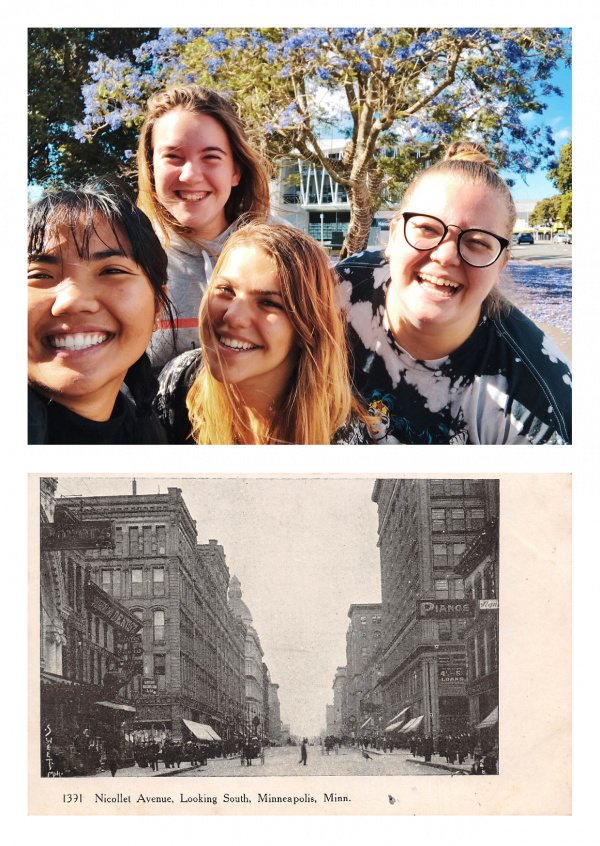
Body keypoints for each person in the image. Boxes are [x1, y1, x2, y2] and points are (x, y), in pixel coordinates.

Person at [336, 141, 572, 444]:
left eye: (477, 241)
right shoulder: (339, 290)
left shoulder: (538, 402)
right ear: (394, 237)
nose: (446, 256)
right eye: (427, 229)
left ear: (500, 265)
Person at [156, 222, 372, 444]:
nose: (233, 316)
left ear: (307, 328)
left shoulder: (342, 440)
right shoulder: (178, 383)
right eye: (225, 290)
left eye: (269, 302)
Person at [137, 84, 271, 369]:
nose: (191, 175)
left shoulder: (282, 254)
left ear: (235, 170)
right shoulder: (126, 259)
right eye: (173, 157)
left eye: (211, 157)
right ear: (151, 168)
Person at [28, 186, 174, 444]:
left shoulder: (149, 433)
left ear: (158, 306)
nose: (72, 301)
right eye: (40, 275)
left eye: (111, 271)